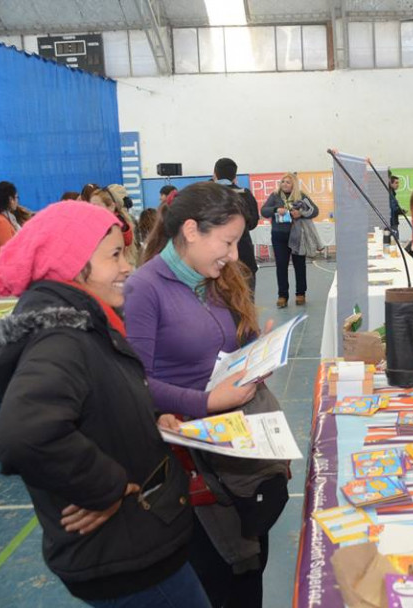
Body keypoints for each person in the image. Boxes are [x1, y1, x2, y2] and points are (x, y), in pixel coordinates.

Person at [0, 201, 208, 607]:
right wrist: (107, 487)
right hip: (127, 557)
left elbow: (98, 395)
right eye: (115, 255)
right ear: (71, 263)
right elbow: (23, 432)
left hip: (133, 543)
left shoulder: (85, 321)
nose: (127, 268)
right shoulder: (62, 338)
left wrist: (151, 415)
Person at [125, 182, 288, 608]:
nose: (234, 255)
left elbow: (231, 346)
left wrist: (258, 353)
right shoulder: (145, 288)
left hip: (239, 447)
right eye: (228, 242)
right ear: (192, 230)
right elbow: (134, 381)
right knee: (221, 576)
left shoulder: (218, 279)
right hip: (193, 463)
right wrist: (207, 402)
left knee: (252, 568)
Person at [261, 173, 319, 307]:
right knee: (281, 266)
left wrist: (301, 213)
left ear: (294, 184)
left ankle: (300, 294)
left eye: (288, 182)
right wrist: (276, 209)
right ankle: (282, 296)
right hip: (279, 236)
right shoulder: (275, 196)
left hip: (297, 236)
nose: (284, 184)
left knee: (300, 266)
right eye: (282, 182)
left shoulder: (301, 196)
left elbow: (315, 211)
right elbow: (264, 211)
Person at [214, 157, 260, 292]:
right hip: (243, 254)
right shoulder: (245, 194)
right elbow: (252, 223)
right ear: (235, 175)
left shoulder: (207, 194)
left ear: (215, 174)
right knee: (246, 300)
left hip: (215, 256)